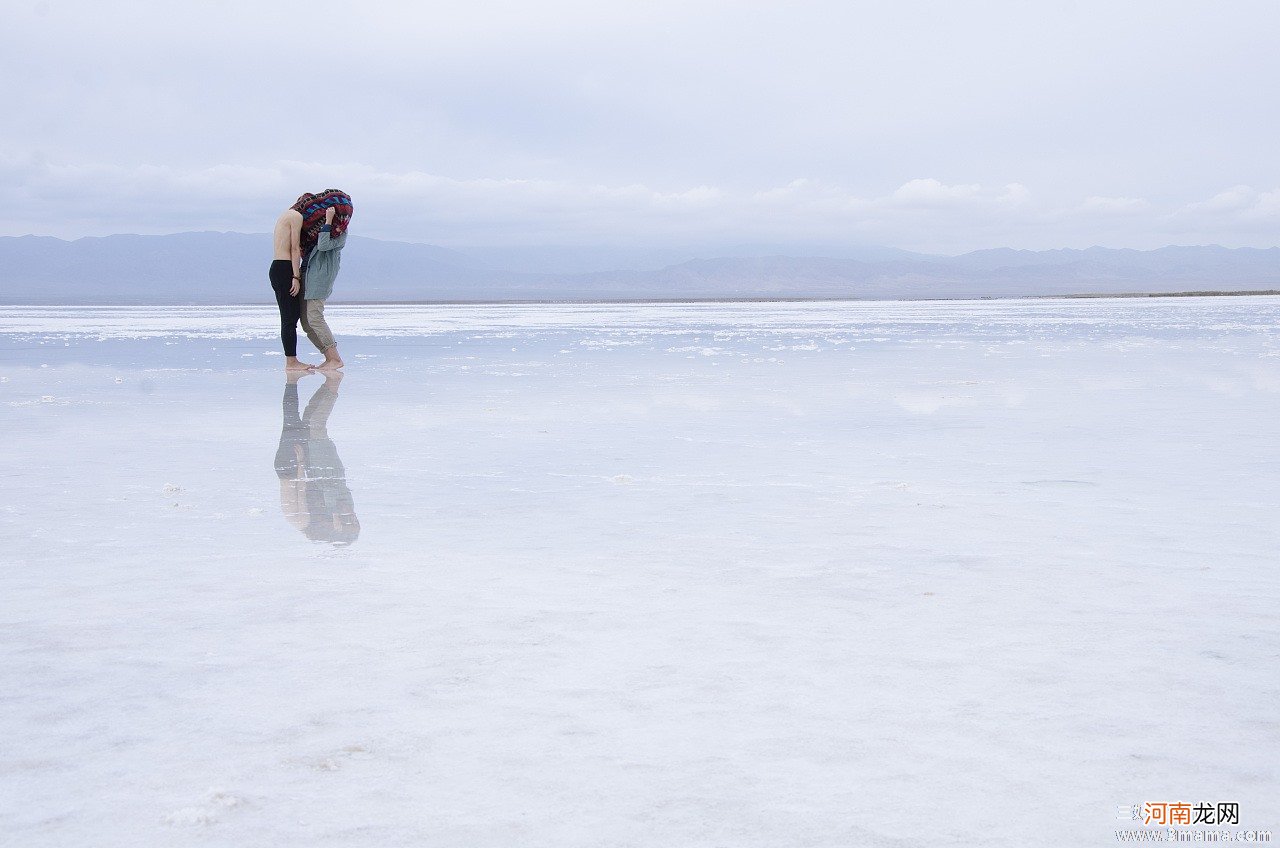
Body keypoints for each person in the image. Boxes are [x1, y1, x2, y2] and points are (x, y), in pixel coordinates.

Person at [269, 195, 315, 371]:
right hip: (285, 268)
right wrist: (296, 277)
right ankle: (291, 361)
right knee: (288, 318)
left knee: (291, 316)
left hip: (279, 267)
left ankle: (292, 359)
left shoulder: (285, 215)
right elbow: (295, 248)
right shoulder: (296, 217)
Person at [300, 205, 347, 370]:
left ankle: (335, 358)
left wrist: (328, 221)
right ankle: (329, 357)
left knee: (315, 317)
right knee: (306, 323)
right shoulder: (316, 232)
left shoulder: (340, 232)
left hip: (319, 279)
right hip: (307, 276)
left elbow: (324, 245)